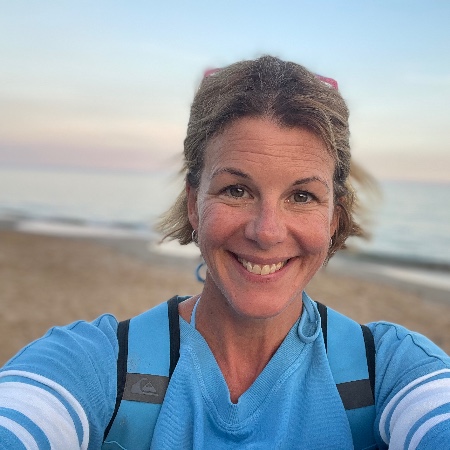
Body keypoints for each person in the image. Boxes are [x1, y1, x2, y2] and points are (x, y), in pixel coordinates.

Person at [0, 55, 449, 449]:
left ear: (334, 218)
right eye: (236, 190)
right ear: (193, 203)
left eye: (302, 196)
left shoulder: (390, 369)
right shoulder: (95, 363)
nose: (266, 232)